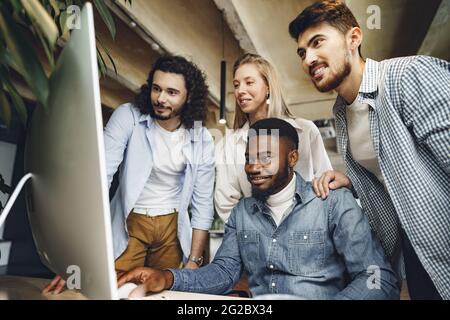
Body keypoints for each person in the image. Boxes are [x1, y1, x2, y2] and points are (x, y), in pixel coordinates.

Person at [117, 118, 399, 300]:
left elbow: (378, 278)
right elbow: (224, 273)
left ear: (292, 158)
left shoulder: (332, 202)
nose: (253, 167)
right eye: (249, 158)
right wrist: (167, 277)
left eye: (265, 157)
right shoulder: (242, 212)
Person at [288, 0, 450, 299]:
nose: (308, 58)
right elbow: (394, 176)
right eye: (302, 52)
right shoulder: (341, 112)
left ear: (354, 38)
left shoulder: (409, 75)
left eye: (317, 42)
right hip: (416, 251)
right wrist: (354, 184)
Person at [43, 55, 215, 294]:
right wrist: (76, 254)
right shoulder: (129, 116)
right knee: (111, 289)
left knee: (162, 294)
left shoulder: (202, 137)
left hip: (172, 229)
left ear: (189, 97)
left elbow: (203, 203)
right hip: (130, 222)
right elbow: (100, 179)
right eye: (156, 89)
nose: (161, 99)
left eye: (172, 92)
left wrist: (194, 261)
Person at [215, 53, 332, 223]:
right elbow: (226, 204)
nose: (240, 91)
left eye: (249, 82)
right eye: (236, 85)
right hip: (259, 240)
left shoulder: (306, 131)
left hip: (309, 231)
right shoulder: (229, 144)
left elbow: (325, 182)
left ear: (268, 87)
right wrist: (257, 232)